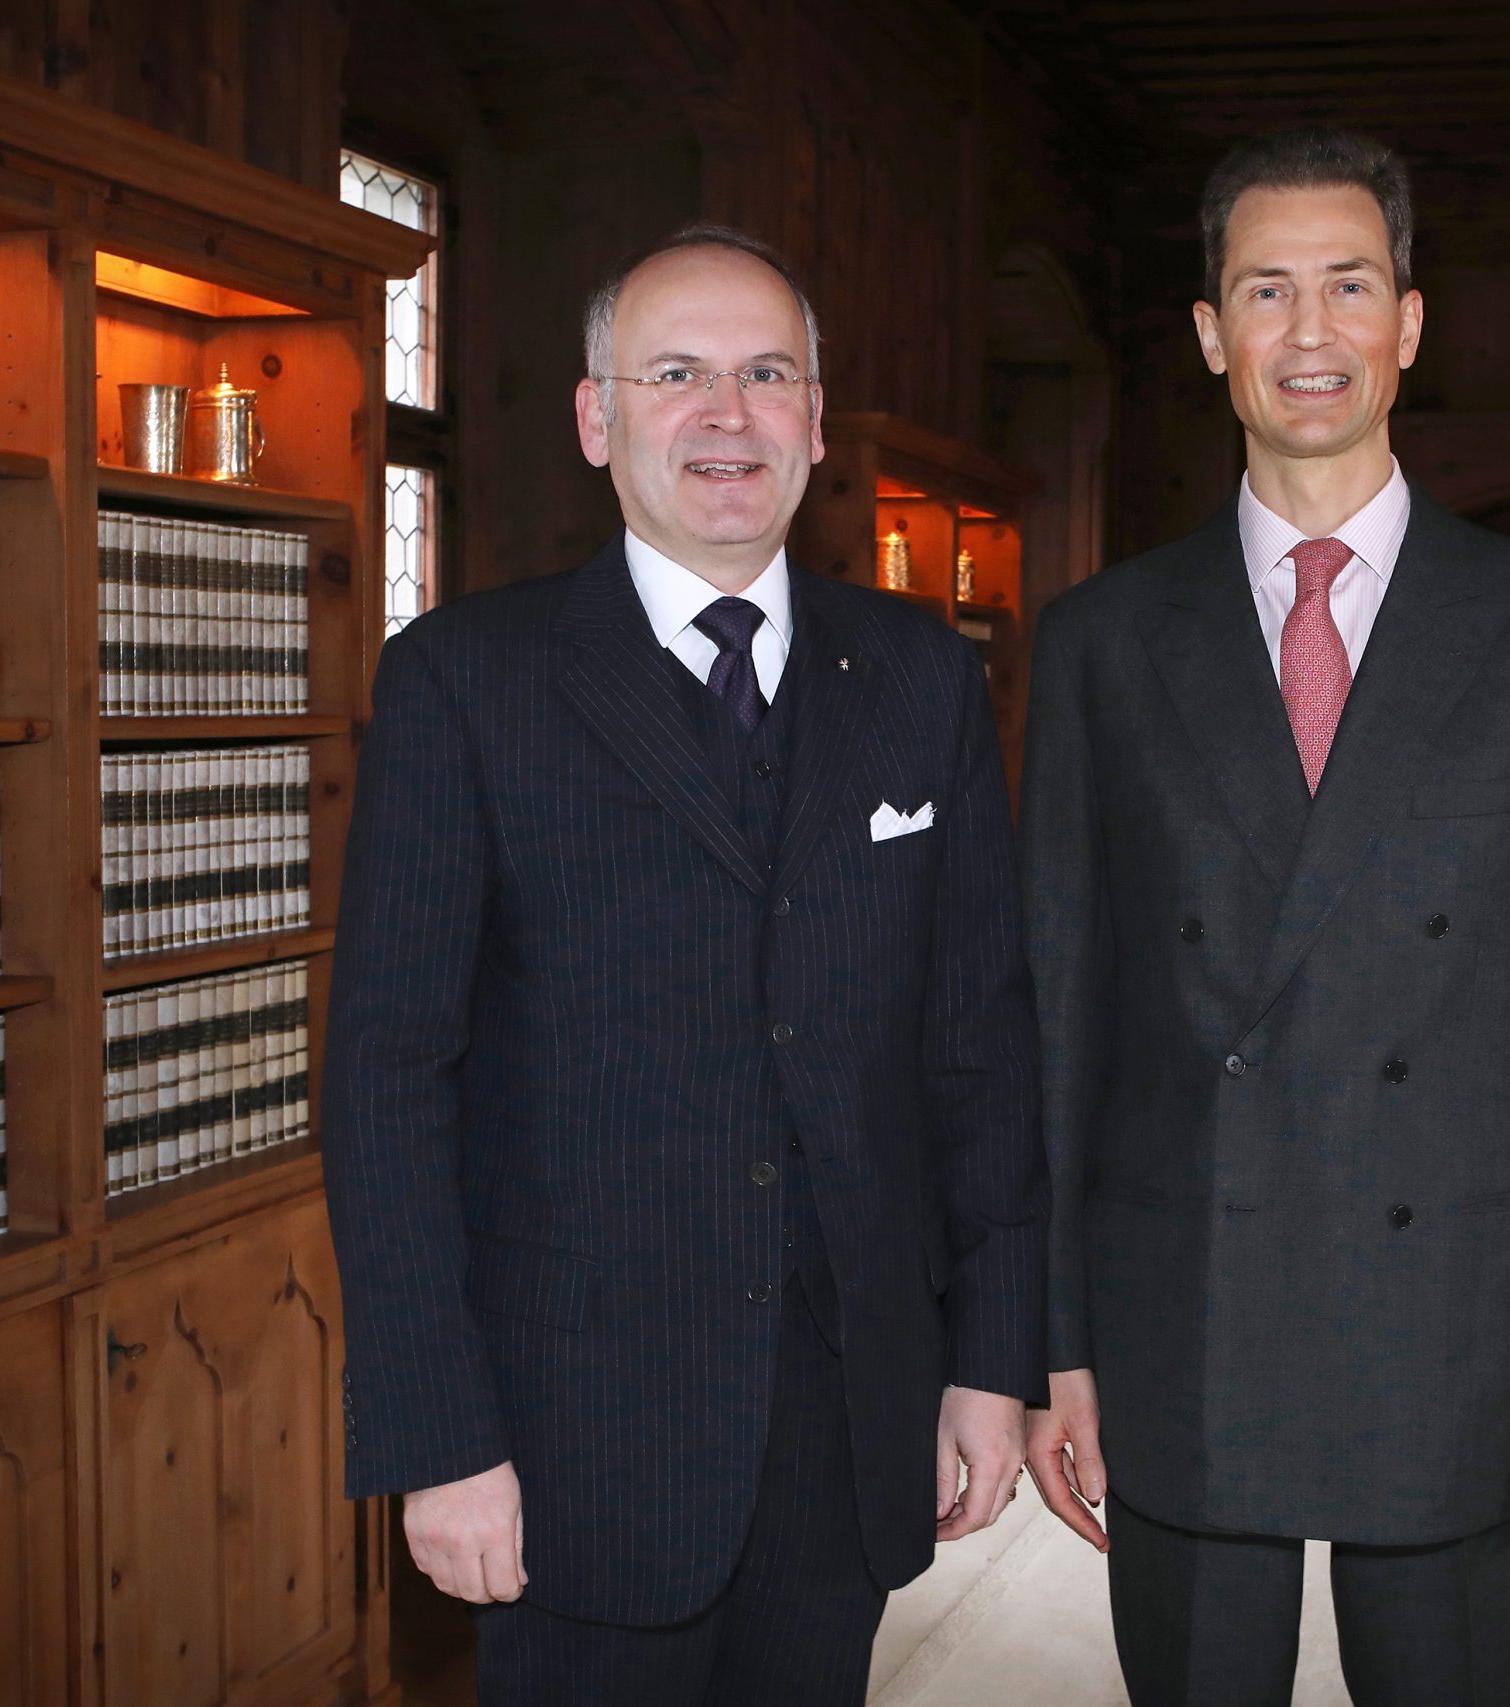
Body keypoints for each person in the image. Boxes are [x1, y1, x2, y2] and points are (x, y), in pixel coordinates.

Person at [321, 224, 1046, 1707]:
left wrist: (993, 1358)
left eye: (767, 374)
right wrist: (438, 1438)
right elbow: (389, 1083)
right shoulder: (468, 681)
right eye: (677, 375)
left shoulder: (919, 679)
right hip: (570, 1433)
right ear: (600, 420)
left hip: (848, 1423)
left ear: (817, 422)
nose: (728, 415)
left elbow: (979, 1044)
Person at [1018, 128, 1510, 1706]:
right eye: (1265, 291)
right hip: (1186, 1303)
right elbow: (1058, 1015)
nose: (1308, 333)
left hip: (1459, 1315)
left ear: (1409, 322)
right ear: (1209, 336)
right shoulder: (1105, 640)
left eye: (1347, 286)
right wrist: (1051, 1341)